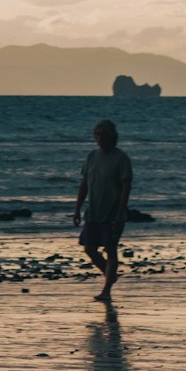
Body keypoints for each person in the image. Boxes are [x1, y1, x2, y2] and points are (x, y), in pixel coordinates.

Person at [73, 119, 132, 301]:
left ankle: (106, 290)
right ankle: (110, 274)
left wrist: (121, 211)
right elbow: (84, 184)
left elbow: (125, 186)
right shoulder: (91, 156)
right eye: (96, 134)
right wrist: (77, 208)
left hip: (112, 211)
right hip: (94, 210)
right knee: (90, 248)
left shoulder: (121, 158)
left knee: (110, 248)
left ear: (112, 136)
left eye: (102, 134)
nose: (99, 138)